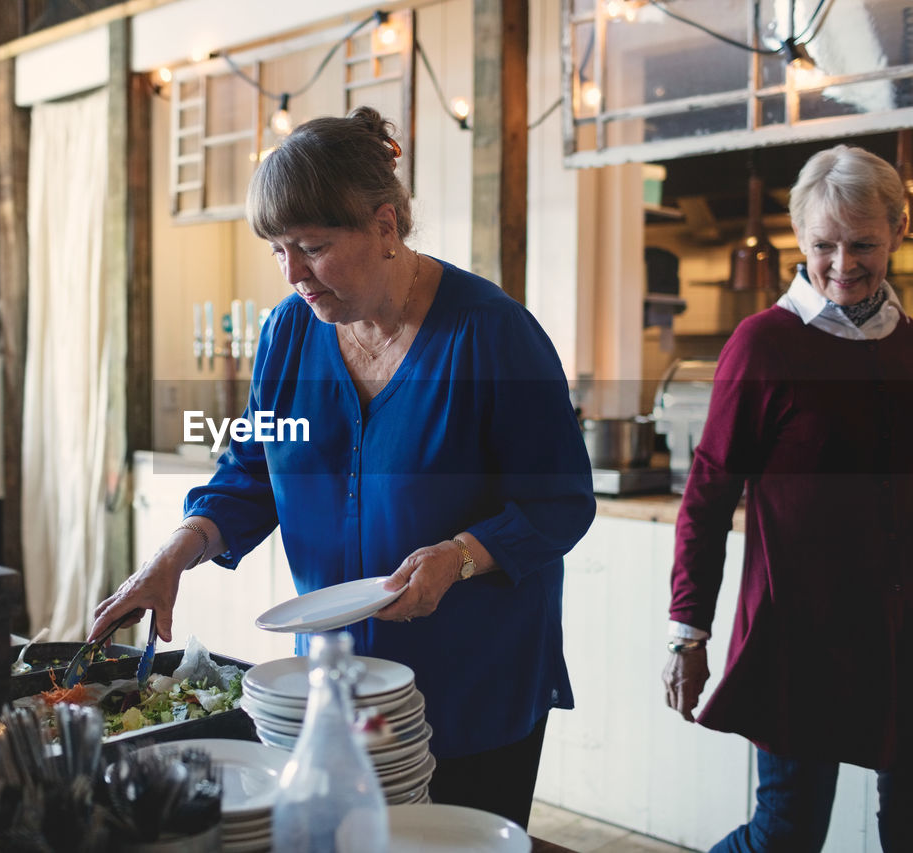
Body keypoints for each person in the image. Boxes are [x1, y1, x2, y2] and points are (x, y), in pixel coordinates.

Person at [90, 106, 595, 828]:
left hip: (471, 685)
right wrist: (178, 551)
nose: (293, 273)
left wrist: (460, 556)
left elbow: (560, 501)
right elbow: (252, 471)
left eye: (313, 247)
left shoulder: (491, 335)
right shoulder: (289, 333)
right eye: (278, 251)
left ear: (385, 227)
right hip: (328, 690)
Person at [662, 143, 913, 852]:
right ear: (799, 238)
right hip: (802, 634)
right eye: (823, 245)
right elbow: (708, 499)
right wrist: (690, 633)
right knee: (786, 835)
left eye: (863, 243)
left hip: (912, 631)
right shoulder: (764, 345)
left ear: (899, 229)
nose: (842, 265)